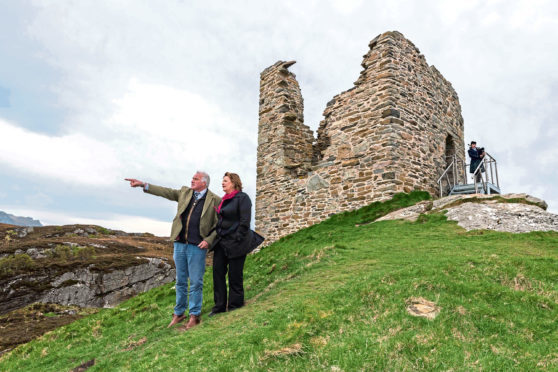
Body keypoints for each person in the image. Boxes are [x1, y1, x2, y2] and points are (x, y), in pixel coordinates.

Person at [125, 171, 220, 331]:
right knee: (181, 281)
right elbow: (166, 192)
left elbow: (219, 225)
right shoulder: (185, 192)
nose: (192, 180)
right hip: (180, 245)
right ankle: (179, 313)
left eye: (195, 179)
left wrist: (208, 240)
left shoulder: (214, 200)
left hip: (197, 247)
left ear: (204, 182)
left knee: (196, 282)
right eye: (192, 178)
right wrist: (143, 184)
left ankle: (194, 316)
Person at [209, 172, 264, 316]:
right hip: (222, 242)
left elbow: (245, 221)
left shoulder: (243, 198)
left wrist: (237, 237)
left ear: (234, 182)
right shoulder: (223, 200)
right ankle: (219, 306)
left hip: (237, 242)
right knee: (218, 273)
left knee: (235, 275)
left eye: (225, 181)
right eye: (222, 181)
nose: (222, 183)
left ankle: (235, 305)